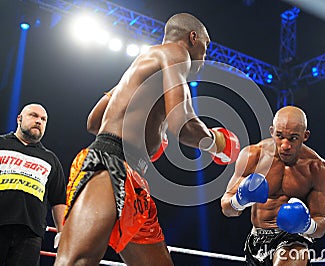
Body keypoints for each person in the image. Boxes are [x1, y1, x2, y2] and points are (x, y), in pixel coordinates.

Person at [55, 13, 240, 265]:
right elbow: (182, 125)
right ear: (192, 38)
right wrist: (215, 142)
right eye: (205, 49)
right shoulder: (177, 54)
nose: (204, 59)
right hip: (109, 164)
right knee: (77, 261)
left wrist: (146, 131)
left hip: (132, 176)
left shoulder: (138, 69)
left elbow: (93, 121)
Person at [221, 106, 325, 266]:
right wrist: (239, 200)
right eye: (280, 136)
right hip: (256, 240)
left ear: (305, 136)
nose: (285, 145)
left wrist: (308, 225)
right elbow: (227, 209)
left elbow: (321, 224)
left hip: (294, 240)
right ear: (272, 131)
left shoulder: (317, 169)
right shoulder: (253, 156)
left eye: (293, 138)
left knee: (294, 255)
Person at [0, 103, 66, 265]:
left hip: (30, 235)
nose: (38, 121)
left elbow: (58, 200)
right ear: (19, 119)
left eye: (43, 119)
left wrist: (63, 233)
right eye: (33, 115)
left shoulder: (50, 159)